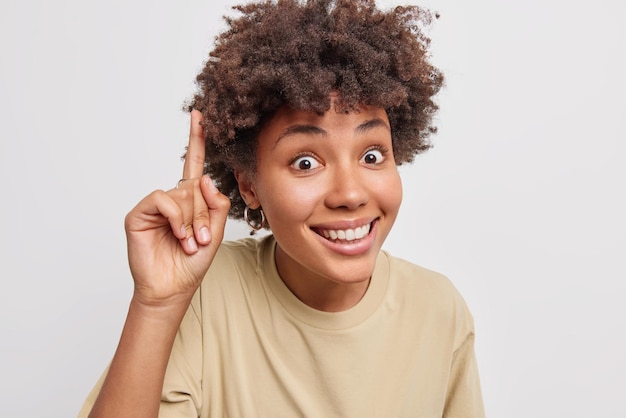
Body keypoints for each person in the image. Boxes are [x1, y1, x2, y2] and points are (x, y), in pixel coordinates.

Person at [79, 0, 484, 416]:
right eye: (306, 162)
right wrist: (156, 305)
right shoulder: (204, 296)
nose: (350, 194)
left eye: (372, 155)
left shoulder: (439, 310)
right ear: (249, 186)